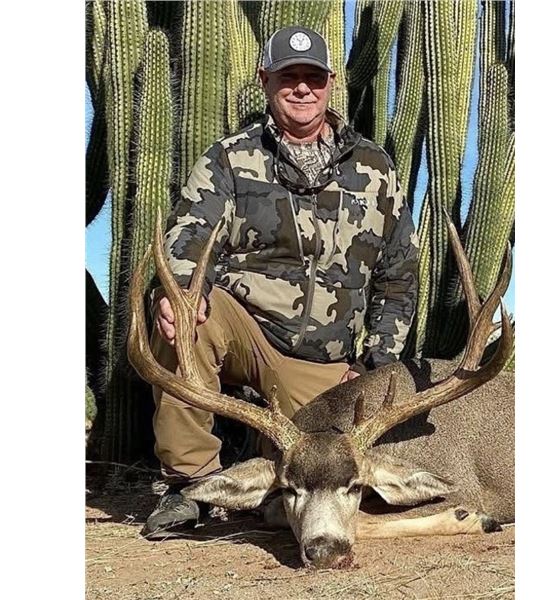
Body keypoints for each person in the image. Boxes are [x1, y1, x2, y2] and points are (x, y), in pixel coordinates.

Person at [142, 26, 419, 538]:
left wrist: (375, 367)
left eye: (314, 77)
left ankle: (254, 455)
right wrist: (181, 289)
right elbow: (189, 235)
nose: (302, 88)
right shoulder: (231, 158)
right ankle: (189, 483)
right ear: (264, 80)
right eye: (289, 77)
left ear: (331, 83)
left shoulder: (374, 168)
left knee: (324, 471)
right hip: (247, 328)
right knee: (185, 318)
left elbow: (399, 275)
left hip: (322, 362)